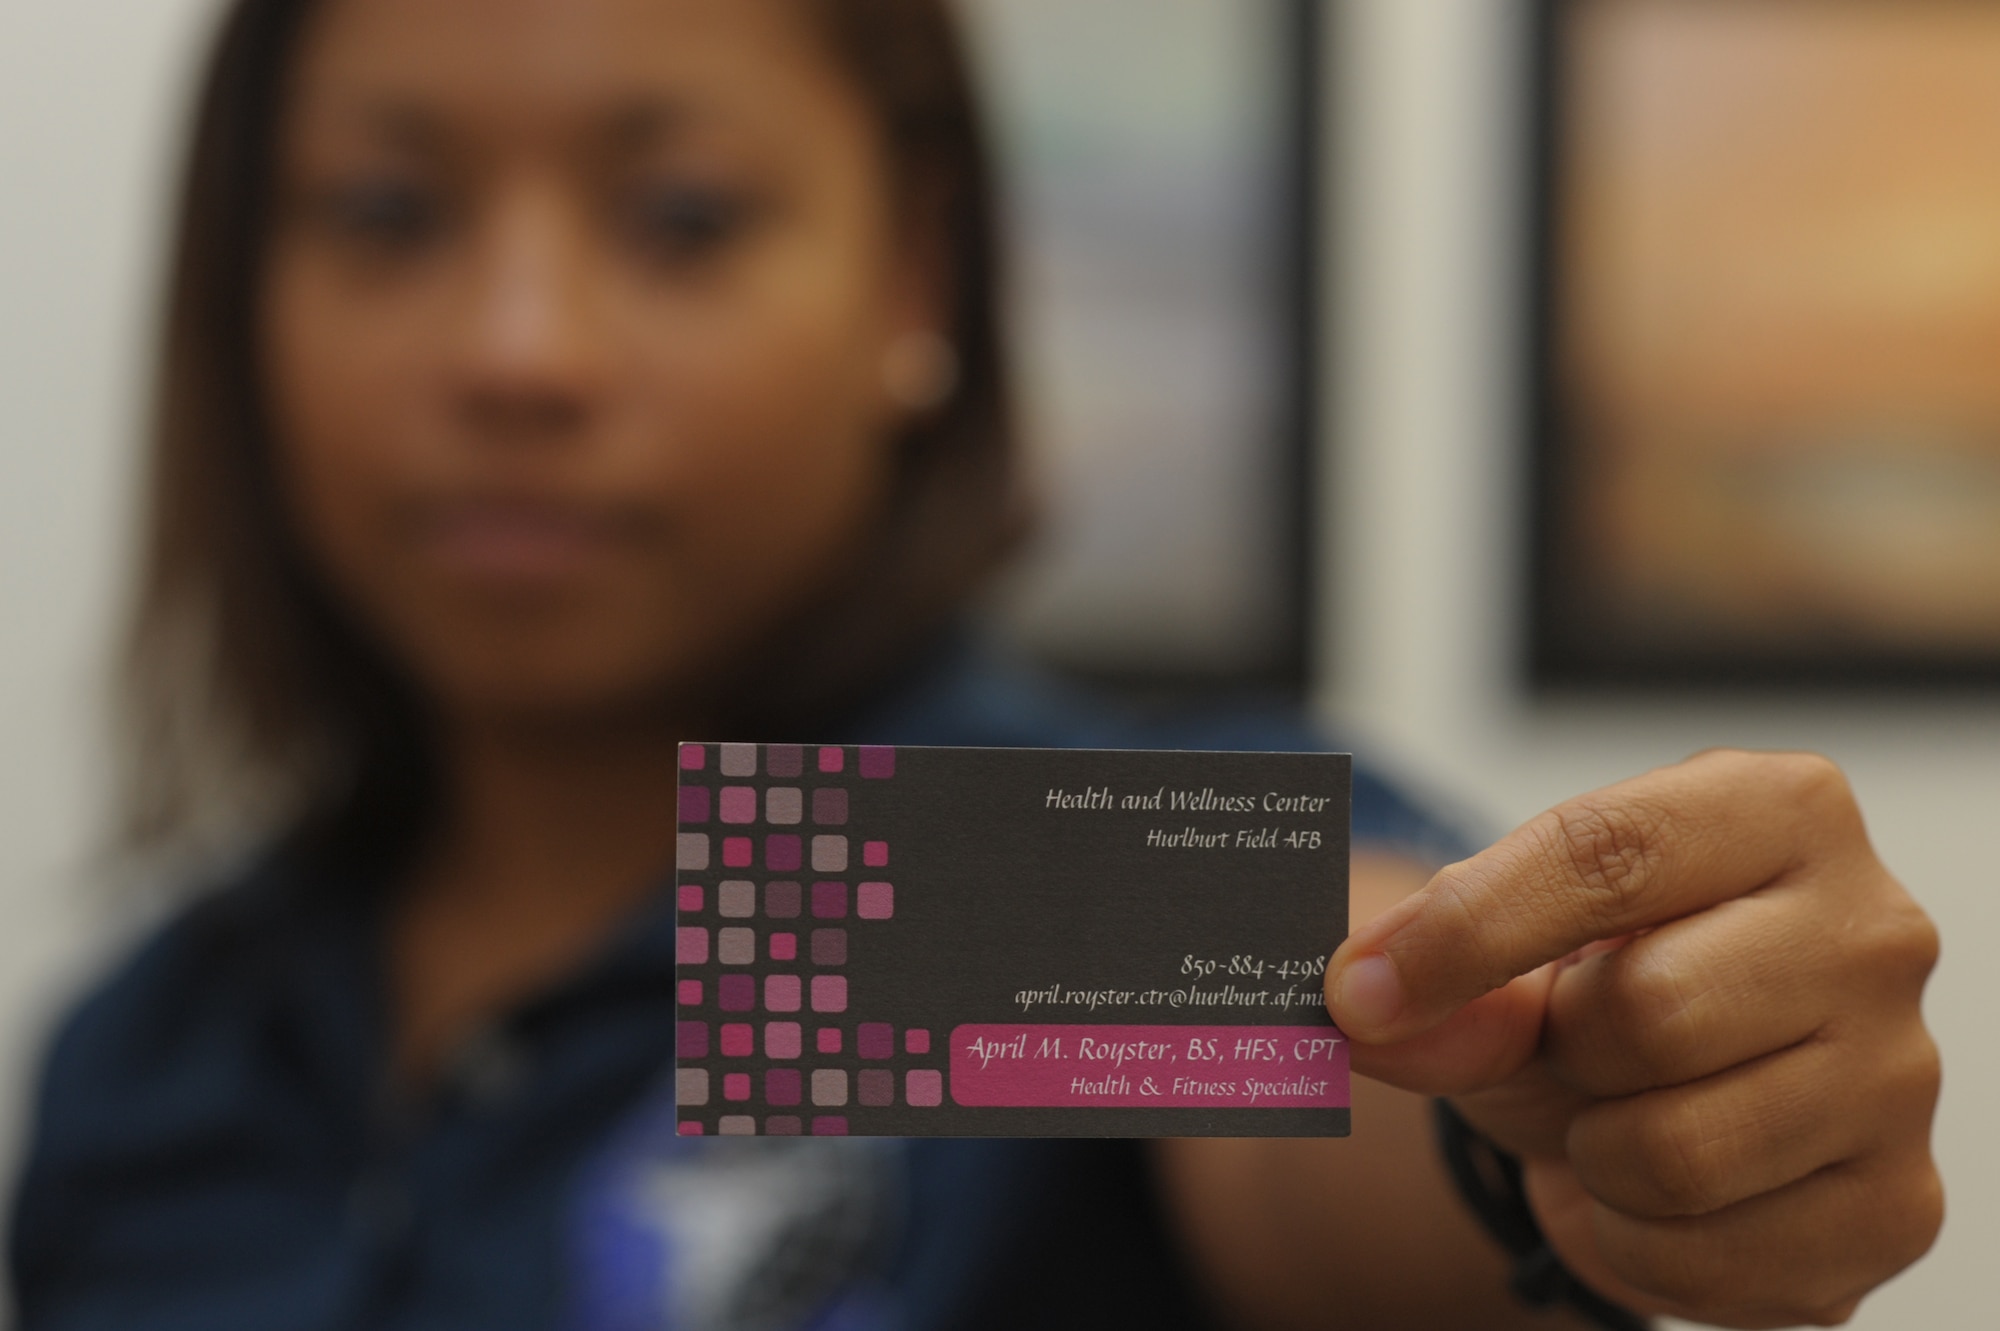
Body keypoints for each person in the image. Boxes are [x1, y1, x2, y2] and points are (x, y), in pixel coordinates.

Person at [7, 0, 1942, 1328]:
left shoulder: (945, 877)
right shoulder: (158, 1053)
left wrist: (1584, 1097)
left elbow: (1366, 1055)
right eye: (389, 212)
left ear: (914, 284)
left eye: (680, 219)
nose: (521, 350)